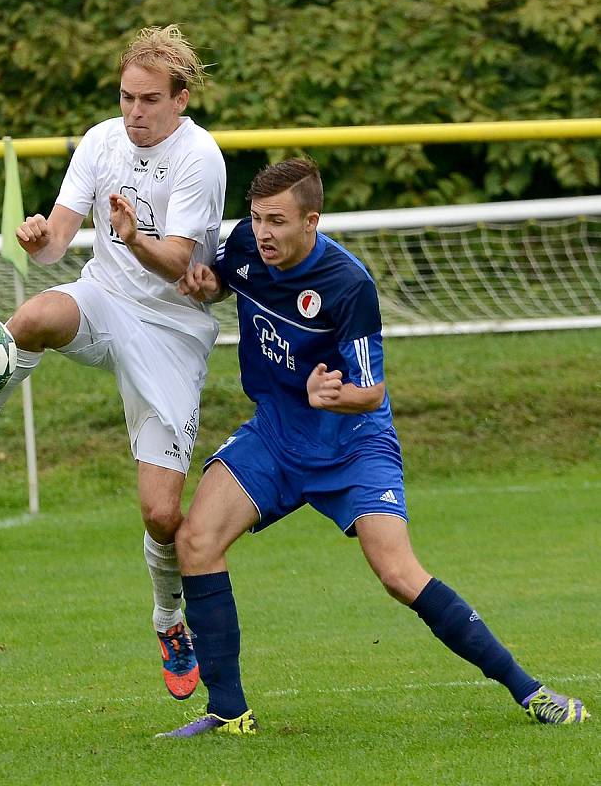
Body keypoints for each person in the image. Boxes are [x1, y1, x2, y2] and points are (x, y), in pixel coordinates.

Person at [157, 158, 589, 737]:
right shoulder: (242, 246)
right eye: (257, 217)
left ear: (312, 220)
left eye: (277, 221)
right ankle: (228, 713)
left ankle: (532, 691)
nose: (263, 232)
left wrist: (329, 395)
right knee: (196, 540)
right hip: (277, 435)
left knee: (398, 575)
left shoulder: (348, 283)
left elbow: (372, 391)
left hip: (353, 446)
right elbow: (217, 280)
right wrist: (204, 283)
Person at [0, 25, 227, 701]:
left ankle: (170, 621)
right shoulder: (102, 139)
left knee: (162, 515)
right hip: (104, 299)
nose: (135, 112)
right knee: (33, 318)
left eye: (148, 101)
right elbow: (56, 247)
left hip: (171, 330)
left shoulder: (200, 157)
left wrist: (136, 237)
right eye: (126, 97)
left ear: (179, 98)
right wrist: (40, 236)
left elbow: (178, 263)